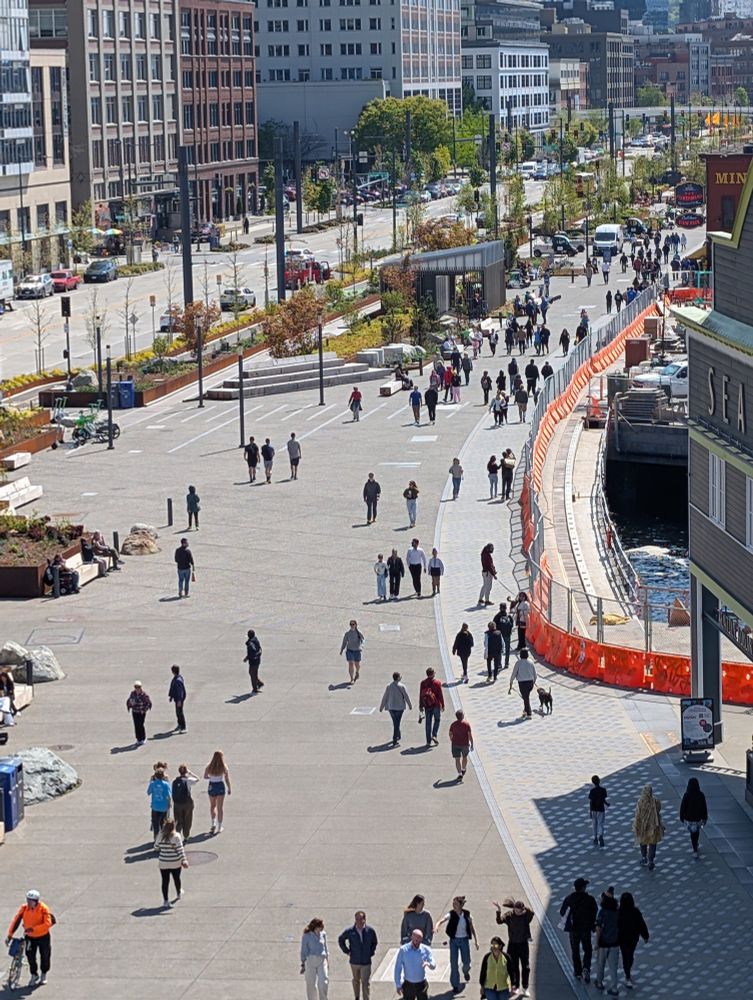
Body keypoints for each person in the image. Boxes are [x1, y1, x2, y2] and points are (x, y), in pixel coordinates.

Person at [5, 890, 53, 987]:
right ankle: (34, 974)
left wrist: (34, 929)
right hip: (30, 937)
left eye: (31, 900)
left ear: (36, 901)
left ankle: (43, 974)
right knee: (30, 956)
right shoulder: (24, 908)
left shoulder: (43, 909)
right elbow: (16, 921)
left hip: (43, 937)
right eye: (27, 900)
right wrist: (10, 934)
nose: (28, 902)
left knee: (45, 955)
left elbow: (48, 923)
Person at [435, 895, 479, 992]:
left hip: (464, 940)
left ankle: (466, 971)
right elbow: (443, 919)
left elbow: (472, 927)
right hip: (454, 941)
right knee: (453, 963)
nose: (453, 906)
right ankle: (455, 984)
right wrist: (437, 925)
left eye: (455, 904)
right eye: (453, 904)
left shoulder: (467, 915)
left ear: (460, 905)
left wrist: (476, 940)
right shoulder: (451, 914)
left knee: (466, 962)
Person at [493, 899, 533, 998]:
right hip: (513, 944)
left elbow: (532, 912)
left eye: (520, 911)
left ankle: (525, 987)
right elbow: (499, 921)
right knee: (514, 967)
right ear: (514, 909)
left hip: (523, 944)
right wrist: (498, 910)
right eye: (516, 910)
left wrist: (524, 908)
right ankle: (515, 986)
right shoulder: (509, 915)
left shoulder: (526, 916)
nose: (518, 913)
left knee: (526, 967)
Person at [559, 878, 597, 983]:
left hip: (573, 929)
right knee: (588, 949)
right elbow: (594, 913)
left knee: (575, 951)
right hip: (586, 930)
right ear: (584, 888)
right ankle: (586, 967)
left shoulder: (569, 899)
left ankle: (577, 971)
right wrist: (592, 925)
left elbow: (562, 912)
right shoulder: (590, 899)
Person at [338, 911, 378, 1000]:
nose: (359, 921)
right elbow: (341, 940)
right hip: (354, 962)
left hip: (366, 962)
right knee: (356, 981)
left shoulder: (370, 931)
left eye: (361, 919)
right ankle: (356, 996)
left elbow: (374, 942)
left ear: (365, 919)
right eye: (357, 919)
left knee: (365, 982)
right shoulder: (350, 931)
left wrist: (371, 952)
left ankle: (366, 998)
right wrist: (347, 951)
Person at [617, 892, 648, 990]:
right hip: (633, 938)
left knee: (625, 954)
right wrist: (645, 936)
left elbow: (615, 925)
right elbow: (641, 924)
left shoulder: (619, 912)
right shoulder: (635, 912)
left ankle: (627, 973)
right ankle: (627, 972)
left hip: (622, 939)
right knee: (630, 954)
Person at [155, 818, 188, 908]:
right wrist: (184, 860)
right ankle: (178, 893)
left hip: (163, 862)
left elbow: (156, 847)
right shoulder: (176, 836)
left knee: (165, 882)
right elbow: (180, 850)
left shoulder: (160, 835)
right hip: (175, 862)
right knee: (176, 878)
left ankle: (165, 900)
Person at [394, 929, 435, 999]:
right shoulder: (403, 950)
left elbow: (433, 965)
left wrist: (428, 964)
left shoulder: (426, 949)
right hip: (408, 984)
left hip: (421, 984)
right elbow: (398, 968)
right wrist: (398, 984)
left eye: (419, 941)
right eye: (416, 940)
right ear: (412, 937)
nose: (417, 943)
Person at [594, 890, 619, 995]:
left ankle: (599, 982)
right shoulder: (617, 912)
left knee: (601, 963)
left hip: (604, 943)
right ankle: (614, 988)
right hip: (615, 943)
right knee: (613, 967)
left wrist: (596, 942)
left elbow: (598, 928)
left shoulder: (602, 912)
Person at [633, 784, 663, 870]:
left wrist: (636, 825)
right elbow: (659, 809)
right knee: (653, 843)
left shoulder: (640, 801)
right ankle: (651, 860)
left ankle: (644, 857)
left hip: (643, 826)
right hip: (654, 825)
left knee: (643, 842)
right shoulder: (655, 801)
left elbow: (637, 814)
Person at [379, 671, 412, 746]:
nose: (401, 677)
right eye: (400, 676)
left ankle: (398, 735)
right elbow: (406, 696)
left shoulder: (389, 686)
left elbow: (385, 697)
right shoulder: (402, 686)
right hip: (400, 708)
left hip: (391, 707)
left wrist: (381, 707)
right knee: (397, 723)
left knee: (395, 722)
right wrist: (410, 705)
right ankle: (394, 741)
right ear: (398, 678)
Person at [300, 917, 329, 1000]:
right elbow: (304, 950)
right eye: (321, 926)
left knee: (323, 982)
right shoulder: (307, 936)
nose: (322, 927)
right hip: (310, 960)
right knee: (311, 984)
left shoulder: (323, 934)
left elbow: (325, 948)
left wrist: (327, 960)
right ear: (316, 927)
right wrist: (303, 963)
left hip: (322, 960)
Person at [679, 776, 708, 857]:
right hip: (698, 818)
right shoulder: (701, 795)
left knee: (692, 833)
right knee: (696, 832)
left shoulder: (687, 795)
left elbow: (683, 807)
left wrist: (681, 816)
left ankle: (694, 847)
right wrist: (705, 818)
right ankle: (696, 844)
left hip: (689, 819)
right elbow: (704, 807)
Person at [204, 750, 231, 834]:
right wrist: (229, 788)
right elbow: (226, 778)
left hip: (212, 785)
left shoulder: (209, 766)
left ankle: (213, 823)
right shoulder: (223, 766)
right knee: (220, 807)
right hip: (220, 785)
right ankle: (219, 826)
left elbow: (205, 776)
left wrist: (211, 778)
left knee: (212, 806)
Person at [172, 763, 199, 840]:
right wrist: (190, 773)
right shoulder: (188, 780)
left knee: (178, 819)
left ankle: (177, 835)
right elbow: (198, 779)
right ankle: (186, 835)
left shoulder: (175, 781)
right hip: (187, 802)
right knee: (187, 819)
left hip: (177, 803)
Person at [419, 667, 444, 746]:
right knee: (437, 720)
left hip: (427, 705)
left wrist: (421, 705)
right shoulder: (437, 683)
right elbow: (440, 695)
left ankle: (428, 741)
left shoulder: (423, 683)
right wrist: (442, 704)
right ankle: (434, 735)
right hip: (436, 704)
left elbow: (421, 694)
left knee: (428, 723)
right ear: (433, 674)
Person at [508, 649, 537, 719]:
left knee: (526, 698)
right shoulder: (531, 662)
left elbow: (514, 673)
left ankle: (529, 713)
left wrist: (511, 682)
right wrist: (534, 682)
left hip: (522, 683)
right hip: (530, 682)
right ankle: (525, 711)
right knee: (526, 697)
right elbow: (535, 674)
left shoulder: (518, 663)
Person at [449, 709, 473, 781]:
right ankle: (463, 769)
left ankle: (460, 773)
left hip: (455, 744)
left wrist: (451, 740)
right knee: (465, 757)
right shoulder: (466, 725)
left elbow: (450, 733)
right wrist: (472, 743)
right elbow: (469, 735)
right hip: (465, 744)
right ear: (462, 716)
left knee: (457, 759)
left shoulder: (453, 724)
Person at [147, 766, 171, 835]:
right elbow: (168, 795)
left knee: (155, 823)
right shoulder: (166, 784)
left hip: (155, 806)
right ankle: (163, 836)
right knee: (163, 823)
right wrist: (169, 804)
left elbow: (148, 792)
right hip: (164, 806)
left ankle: (156, 837)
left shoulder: (152, 783)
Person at [126, 680, 152, 745]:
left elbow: (148, 703)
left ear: (141, 687)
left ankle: (143, 738)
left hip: (141, 712)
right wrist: (130, 704)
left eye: (138, 687)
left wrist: (144, 710)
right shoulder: (132, 693)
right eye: (136, 687)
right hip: (135, 712)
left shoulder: (144, 695)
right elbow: (129, 701)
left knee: (140, 725)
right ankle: (138, 738)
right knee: (136, 725)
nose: (137, 689)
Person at [589, 774, 609, 847]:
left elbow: (591, 801)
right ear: (599, 781)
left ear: (593, 782)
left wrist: (590, 811)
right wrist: (607, 804)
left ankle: (595, 838)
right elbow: (603, 800)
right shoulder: (603, 790)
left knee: (594, 824)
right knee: (601, 823)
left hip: (594, 809)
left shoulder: (592, 791)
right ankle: (601, 835)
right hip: (601, 809)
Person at [492, 603, 513, 670]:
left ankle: (499, 664)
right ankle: (506, 663)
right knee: (507, 649)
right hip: (507, 635)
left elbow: (494, 626)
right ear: (506, 608)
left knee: (499, 650)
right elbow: (511, 624)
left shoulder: (497, 616)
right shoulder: (509, 616)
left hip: (500, 635)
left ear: (500, 608)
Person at [243, 628, 264, 693]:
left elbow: (253, 651)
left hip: (253, 661)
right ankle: (259, 683)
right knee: (252, 673)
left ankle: (255, 689)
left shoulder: (251, 643)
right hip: (257, 660)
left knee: (253, 674)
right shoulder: (255, 639)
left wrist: (247, 658)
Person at [168, 664, 187, 734]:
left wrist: (179, 700)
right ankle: (179, 723)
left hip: (179, 699)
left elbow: (180, 692)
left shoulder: (178, 680)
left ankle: (183, 727)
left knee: (180, 712)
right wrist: (171, 696)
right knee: (177, 712)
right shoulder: (177, 678)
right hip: (177, 698)